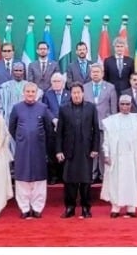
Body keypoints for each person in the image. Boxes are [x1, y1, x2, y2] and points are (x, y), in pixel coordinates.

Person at [9, 82, 55, 219]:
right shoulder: (17, 108)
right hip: (22, 150)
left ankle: (37, 208)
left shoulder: (43, 108)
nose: (30, 94)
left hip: (39, 150)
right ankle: (24, 208)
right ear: (23, 93)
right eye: (28, 91)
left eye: (32, 92)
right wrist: (22, 138)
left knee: (39, 179)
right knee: (22, 179)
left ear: (36, 93)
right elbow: (12, 127)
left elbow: (49, 129)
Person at [100, 94, 137, 218]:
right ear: (118, 105)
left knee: (132, 180)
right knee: (115, 181)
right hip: (116, 157)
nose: (125, 106)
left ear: (131, 105)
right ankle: (115, 207)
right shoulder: (111, 120)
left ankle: (131, 207)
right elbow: (106, 140)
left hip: (133, 157)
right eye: (122, 104)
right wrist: (106, 154)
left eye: (127, 104)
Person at [56, 82, 100, 219]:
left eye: (78, 93)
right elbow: (59, 132)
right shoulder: (64, 109)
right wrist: (59, 150)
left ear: (83, 93)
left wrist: (95, 148)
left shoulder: (91, 108)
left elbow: (96, 130)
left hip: (86, 150)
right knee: (69, 181)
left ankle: (86, 208)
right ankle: (70, 207)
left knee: (86, 181)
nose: (76, 95)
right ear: (71, 94)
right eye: (74, 93)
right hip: (69, 150)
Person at [83, 63, 117, 183]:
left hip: (105, 125)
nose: (95, 74)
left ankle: (103, 175)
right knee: (90, 151)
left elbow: (113, 108)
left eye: (98, 72)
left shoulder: (110, 87)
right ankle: (92, 174)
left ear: (102, 73)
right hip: (88, 125)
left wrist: (113, 125)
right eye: (93, 72)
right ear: (90, 74)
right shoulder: (85, 87)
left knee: (103, 151)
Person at [41, 72, 71, 185]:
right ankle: (53, 176)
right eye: (54, 81)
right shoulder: (47, 95)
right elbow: (45, 109)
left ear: (63, 83)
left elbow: (71, 108)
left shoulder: (69, 94)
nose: (56, 83)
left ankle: (64, 175)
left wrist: (62, 121)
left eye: (59, 81)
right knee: (52, 152)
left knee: (65, 151)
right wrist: (54, 119)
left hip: (66, 128)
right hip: (51, 128)